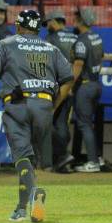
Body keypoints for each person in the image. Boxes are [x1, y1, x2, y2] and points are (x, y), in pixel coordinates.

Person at [0, 10, 74, 222]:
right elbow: (68, 79)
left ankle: (32, 196)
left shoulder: (6, 44)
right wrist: (54, 106)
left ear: (18, 25)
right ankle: (21, 208)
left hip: (18, 105)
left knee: (22, 157)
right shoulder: (51, 48)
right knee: (30, 159)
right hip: (44, 106)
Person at [69, 8, 104, 173]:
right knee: (89, 123)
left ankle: (93, 162)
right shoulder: (97, 37)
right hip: (96, 84)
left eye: (76, 19)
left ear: (81, 21)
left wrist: (70, 85)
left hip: (85, 86)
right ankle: (97, 157)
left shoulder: (81, 41)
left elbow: (78, 64)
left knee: (84, 124)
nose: (74, 22)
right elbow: (101, 58)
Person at [43, 10, 78, 172]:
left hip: (53, 86)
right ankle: (63, 160)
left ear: (54, 21)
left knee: (43, 120)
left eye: (48, 23)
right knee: (62, 123)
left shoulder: (51, 39)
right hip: (70, 87)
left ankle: (58, 157)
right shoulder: (76, 38)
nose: (47, 27)